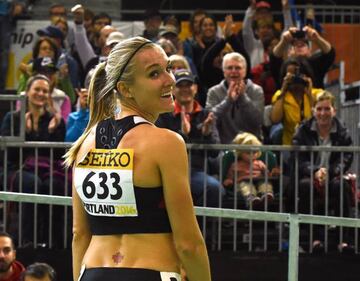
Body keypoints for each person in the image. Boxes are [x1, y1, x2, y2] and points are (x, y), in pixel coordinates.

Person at [64, 36, 211, 281]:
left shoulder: (85, 144)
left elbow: (79, 234)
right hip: (151, 272)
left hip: (91, 272)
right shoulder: (167, 143)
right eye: (154, 74)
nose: (170, 80)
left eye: (168, 68)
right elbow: (189, 244)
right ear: (125, 89)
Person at [1, 75, 67, 247]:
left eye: (45, 91)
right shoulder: (13, 117)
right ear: (27, 92)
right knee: (32, 185)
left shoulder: (56, 121)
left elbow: (58, 156)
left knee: (55, 186)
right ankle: (27, 241)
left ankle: (54, 243)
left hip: (47, 170)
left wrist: (52, 132)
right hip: (17, 168)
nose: (41, 93)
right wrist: (26, 132)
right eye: (37, 89)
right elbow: (8, 153)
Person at [291, 90, 354, 253]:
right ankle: (315, 239)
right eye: (319, 109)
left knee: (341, 186)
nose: (323, 113)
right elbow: (298, 157)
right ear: (313, 110)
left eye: (327, 109)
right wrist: (315, 172)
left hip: (333, 176)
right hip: (309, 176)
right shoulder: (302, 130)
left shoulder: (342, 130)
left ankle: (343, 240)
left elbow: (346, 156)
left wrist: (333, 171)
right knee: (305, 186)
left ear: (334, 110)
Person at [156, 69, 225, 208]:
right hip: (170, 171)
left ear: (195, 88)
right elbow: (160, 146)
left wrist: (206, 135)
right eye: (180, 85)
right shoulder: (163, 115)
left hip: (196, 171)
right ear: (172, 90)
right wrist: (182, 134)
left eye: (188, 85)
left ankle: (194, 227)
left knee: (215, 189)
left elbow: (215, 151)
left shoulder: (206, 115)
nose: (185, 89)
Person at [206, 52, 264, 144]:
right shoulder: (213, 92)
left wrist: (243, 98)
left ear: (245, 71)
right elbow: (209, 120)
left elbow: (258, 121)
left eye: (238, 68)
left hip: (251, 148)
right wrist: (228, 101)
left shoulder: (256, 91)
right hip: (223, 148)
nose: (233, 71)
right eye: (229, 68)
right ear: (224, 72)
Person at [270, 56, 323, 145]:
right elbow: (275, 119)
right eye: (290, 75)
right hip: (289, 145)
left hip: (313, 145)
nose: (295, 78)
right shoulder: (280, 95)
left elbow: (322, 119)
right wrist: (283, 90)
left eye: (298, 74)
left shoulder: (317, 94)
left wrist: (309, 95)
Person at [223, 132, 274, 209]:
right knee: (245, 186)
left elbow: (266, 173)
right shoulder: (236, 165)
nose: (252, 155)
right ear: (240, 153)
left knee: (265, 184)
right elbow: (231, 174)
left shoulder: (259, 163)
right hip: (242, 181)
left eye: (255, 152)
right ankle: (251, 199)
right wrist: (229, 179)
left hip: (259, 179)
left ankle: (266, 195)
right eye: (248, 153)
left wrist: (270, 174)